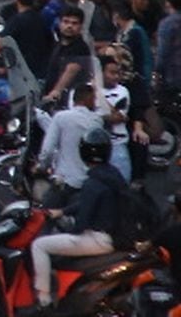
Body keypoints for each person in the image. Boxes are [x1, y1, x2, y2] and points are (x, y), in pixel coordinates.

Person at [30, 128, 126, 309]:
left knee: (39, 245)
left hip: (97, 239)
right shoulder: (112, 175)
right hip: (113, 235)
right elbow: (87, 203)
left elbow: (81, 224)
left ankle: (44, 300)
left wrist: (67, 229)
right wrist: (62, 212)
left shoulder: (92, 182)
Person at [38, 83, 104, 196]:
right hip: (88, 182)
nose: (95, 103)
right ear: (88, 99)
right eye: (94, 99)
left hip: (64, 180)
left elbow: (47, 150)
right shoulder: (97, 122)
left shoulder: (61, 117)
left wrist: (43, 166)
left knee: (47, 211)